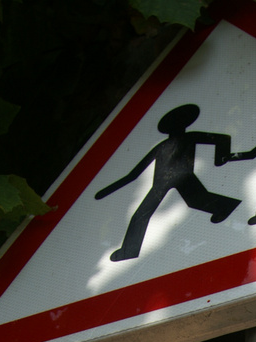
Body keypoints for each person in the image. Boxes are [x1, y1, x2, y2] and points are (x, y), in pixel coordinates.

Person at [95, 103, 241, 261]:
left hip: (183, 177)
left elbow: (222, 139)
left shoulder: (190, 137)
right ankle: (129, 251)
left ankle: (227, 206)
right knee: (141, 214)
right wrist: (107, 190)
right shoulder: (161, 146)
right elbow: (134, 173)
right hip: (161, 183)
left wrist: (221, 157)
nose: (176, 128)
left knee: (196, 200)